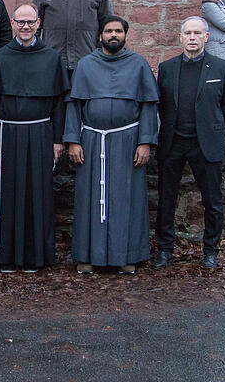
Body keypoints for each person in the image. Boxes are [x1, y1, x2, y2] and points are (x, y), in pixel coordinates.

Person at [64, 15, 158, 275]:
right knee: (89, 199)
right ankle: (87, 256)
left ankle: (124, 256)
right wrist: (73, 140)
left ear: (125, 35)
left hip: (128, 142)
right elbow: (74, 105)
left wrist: (146, 142)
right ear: (100, 35)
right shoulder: (86, 65)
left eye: (118, 31)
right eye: (108, 31)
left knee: (126, 198)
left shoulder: (138, 65)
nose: (113, 35)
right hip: (92, 141)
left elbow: (149, 106)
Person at [0, 3, 70, 273]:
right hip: (6, 134)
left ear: (39, 23)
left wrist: (57, 140)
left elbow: (59, 102)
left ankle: (34, 256)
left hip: (40, 134)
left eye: (30, 22)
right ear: (13, 23)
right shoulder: (0, 57)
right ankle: (4, 255)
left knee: (37, 193)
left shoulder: (52, 58)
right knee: (4, 194)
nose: (26, 27)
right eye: (21, 22)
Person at [154, 16, 225, 270]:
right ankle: (165, 250)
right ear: (180, 37)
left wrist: (212, 131)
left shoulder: (223, 68)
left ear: (206, 37)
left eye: (197, 33)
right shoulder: (167, 68)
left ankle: (210, 251)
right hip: (173, 142)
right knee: (166, 199)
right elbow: (162, 105)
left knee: (212, 201)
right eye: (188, 33)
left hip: (205, 144)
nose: (192, 37)